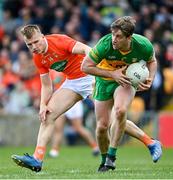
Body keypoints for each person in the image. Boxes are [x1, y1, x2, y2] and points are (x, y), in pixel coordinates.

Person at [11, 24, 162, 173]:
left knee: (109, 120)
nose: (34, 47)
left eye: (36, 42)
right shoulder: (38, 57)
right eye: (29, 44)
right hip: (72, 82)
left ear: (43, 37)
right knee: (48, 114)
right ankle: (37, 158)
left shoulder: (59, 41)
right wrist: (43, 104)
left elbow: (86, 49)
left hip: (91, 77)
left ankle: (150, 142)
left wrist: (101, 70)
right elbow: (46, 85)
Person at [81, 16, 162, 172]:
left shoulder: (143, 45)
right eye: (113, 34)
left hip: (126, 81)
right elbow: (85, 67)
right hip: (104, 81)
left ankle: (111, 157)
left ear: (129, 38)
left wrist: (151, 78)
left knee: (120, 111)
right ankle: (104, 160)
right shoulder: (105, 44)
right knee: (102, 127)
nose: (114, 39)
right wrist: (113, 74)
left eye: (118, 36)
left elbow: (152, 61)